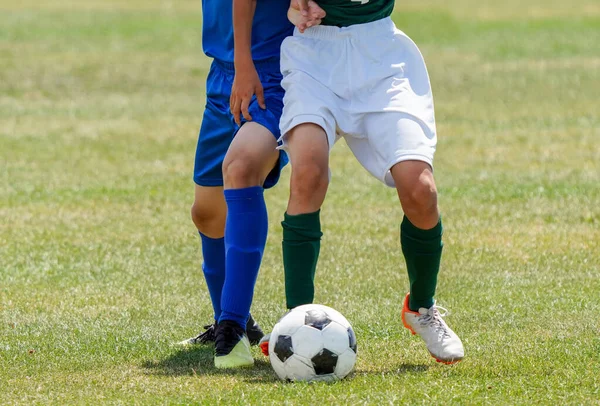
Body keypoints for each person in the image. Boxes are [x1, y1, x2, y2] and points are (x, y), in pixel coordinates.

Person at [261, 0, 465, 364]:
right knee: (308, 173)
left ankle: (420, 308)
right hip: (313, 55)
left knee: (420, 189)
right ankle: (295, 321)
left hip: (381, 55)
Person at [180, 0, 324, 369]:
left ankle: (231, 326)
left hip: (273, 74)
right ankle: (234, 322)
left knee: (242, 168)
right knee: (207, 214)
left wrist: (245, 65)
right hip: (222, 76)